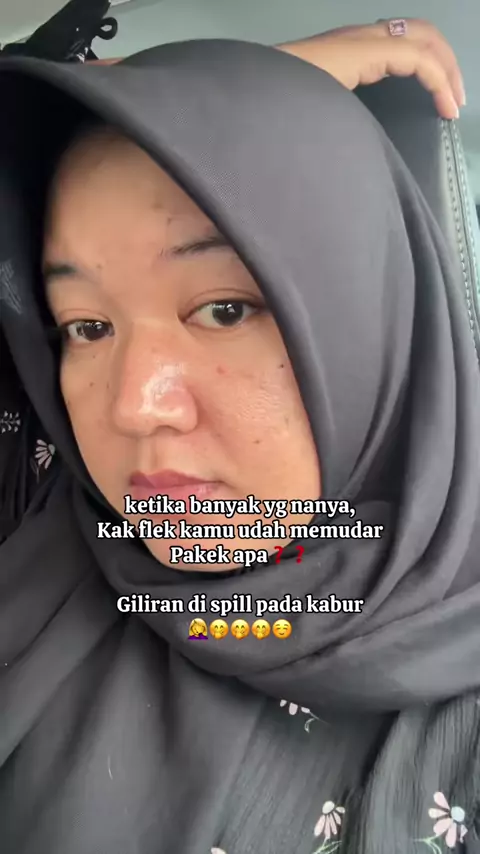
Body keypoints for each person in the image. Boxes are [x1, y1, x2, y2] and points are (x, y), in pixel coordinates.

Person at [0, 17, 479, 854]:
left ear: (371, 330)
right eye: (86, 326)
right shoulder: (37, 489)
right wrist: (208, 99)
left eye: (225, 309)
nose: (134, 407)